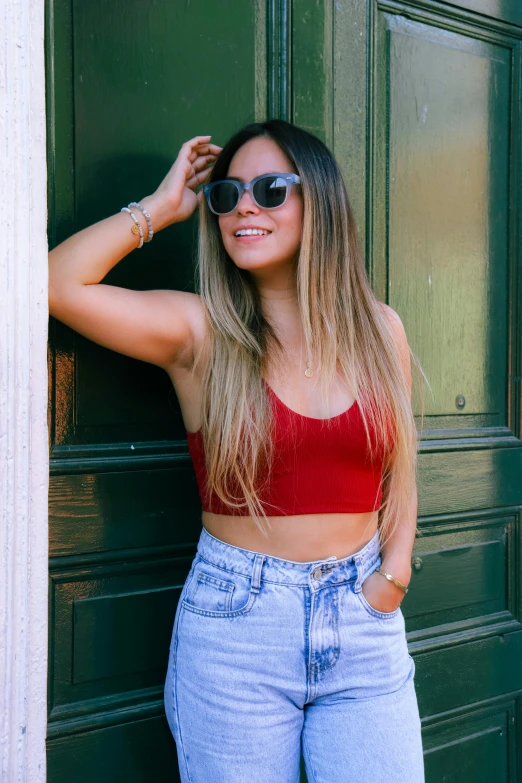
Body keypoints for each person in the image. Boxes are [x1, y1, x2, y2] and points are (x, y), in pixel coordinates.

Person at [48, 119, 426, 782]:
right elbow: (57, 285)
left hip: (365, 626)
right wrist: (161, 208)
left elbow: (401, 470)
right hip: (237, 631)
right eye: (227, 195)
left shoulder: (379, 328)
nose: (244, 205)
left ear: (323, 202)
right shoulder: (200, 335)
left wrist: (392, 576)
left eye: (271, 189)